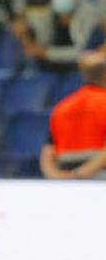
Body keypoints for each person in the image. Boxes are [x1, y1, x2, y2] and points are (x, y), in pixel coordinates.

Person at [40, 52, 106, 180]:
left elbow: (47, 154)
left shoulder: (61, 107)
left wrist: (56, 176)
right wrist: (80, 174)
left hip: (65, 177)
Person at [19, 0, 104, 74]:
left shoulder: (90, 14)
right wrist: (23, 30)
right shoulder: (46, 13)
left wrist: (47, 53)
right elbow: (34, 38)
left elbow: (84, 52)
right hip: (49, 69)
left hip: (81, 69)